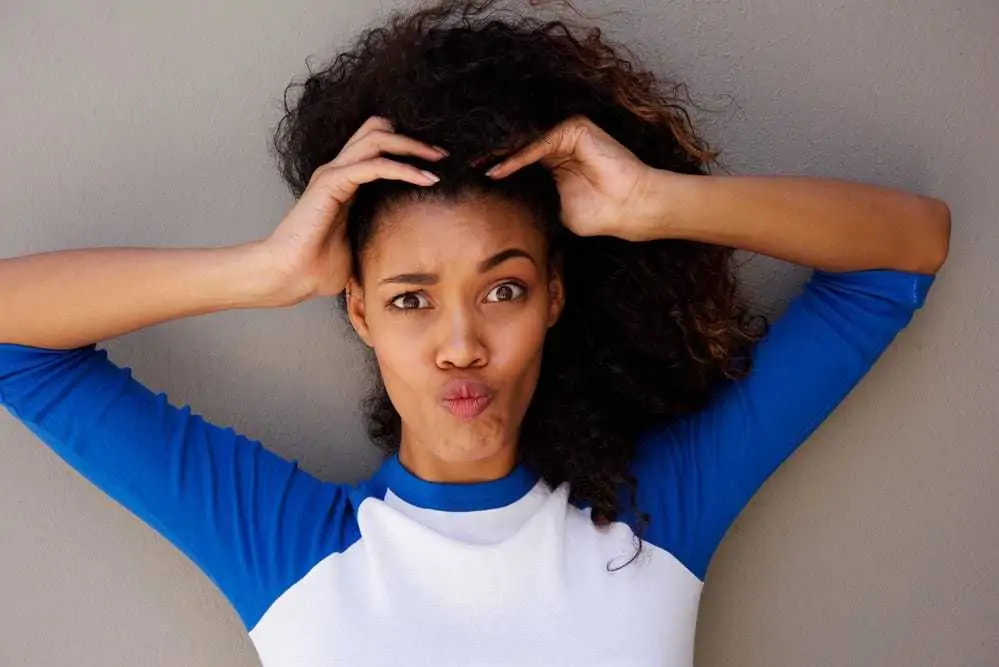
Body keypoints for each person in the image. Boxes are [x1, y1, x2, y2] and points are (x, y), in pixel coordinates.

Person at [0, 0, 950, 665]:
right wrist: (265, 271)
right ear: (359, 311)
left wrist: (651, 203)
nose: (460, 343)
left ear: (553, 300)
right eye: (411, 298)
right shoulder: (290, 550)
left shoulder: (651, 525)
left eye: (501, 290)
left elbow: (903, 252)